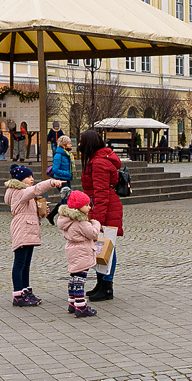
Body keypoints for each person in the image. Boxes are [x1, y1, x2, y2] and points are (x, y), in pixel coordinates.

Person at [3, 163, 63, 306]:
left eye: (32, 176)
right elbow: (36, 189)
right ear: (19, 180)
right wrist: (52, 182)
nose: (31, 179)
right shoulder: (19, 192)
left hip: (28, 228)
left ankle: (26, 291)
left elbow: (29, 207)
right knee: (19, 263)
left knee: (26, 263)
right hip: (23, 229)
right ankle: (18, 295)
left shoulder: (24, 192)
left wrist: (41, 212)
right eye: (28, 177)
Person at [78, 128, 124, 301]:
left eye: (82, 142)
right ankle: (101, 283)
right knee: (101, 246)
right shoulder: (97, 160)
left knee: (107, 246)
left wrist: (98, 220)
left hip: (104, 208)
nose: (79, 145)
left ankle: (106, 286)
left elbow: (101, 194)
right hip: (100, 207)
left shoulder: (98, 163)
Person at [54, 188, 104, 317]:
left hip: (72, 249)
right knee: (80, 279)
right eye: (86, 205)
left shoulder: (66, 220)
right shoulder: (81, 221)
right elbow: (93, 233)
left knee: (74, 277)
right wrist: (96, 223)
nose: (89, 208)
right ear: (78, 207)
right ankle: (81, 305)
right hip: (82, 250)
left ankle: (72, 303)